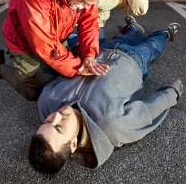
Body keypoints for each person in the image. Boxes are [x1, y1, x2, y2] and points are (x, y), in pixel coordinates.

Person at [28, 16, 183, 174]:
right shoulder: (110, 124)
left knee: (125, 37)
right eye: (59, 128)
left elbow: (61, 71)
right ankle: (164, 34)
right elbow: (148, 112)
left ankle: (134, 29)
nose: (56, 116)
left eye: (46, 121)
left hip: (101, 53)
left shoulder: (47, 100)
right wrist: (173, 91)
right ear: (73, 145)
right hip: (134, 61)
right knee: (152, 45)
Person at [0, 0, 109, 101]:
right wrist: (78, 67)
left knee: (61, 73)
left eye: (89, 4)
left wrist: (89, 55)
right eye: (83, 3)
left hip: (54, 36)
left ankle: (42, 68)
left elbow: (89, 21)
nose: (83, 8)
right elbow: (44, 45)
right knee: (33, 91)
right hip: (22, 40)